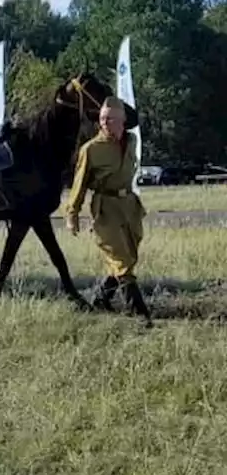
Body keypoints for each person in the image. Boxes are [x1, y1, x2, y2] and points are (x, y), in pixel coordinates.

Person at [64, 95, 151, 324]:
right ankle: (140, 315)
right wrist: (72, 214)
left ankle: (100, 300)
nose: (104, 123)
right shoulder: (91, 149)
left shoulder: (131, 141)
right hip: (105, 207)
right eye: (102, 119)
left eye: (110, 119)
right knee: (121, 260)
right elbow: (79, 183)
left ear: (122, 120)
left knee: (129, 256)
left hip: (130, 206)